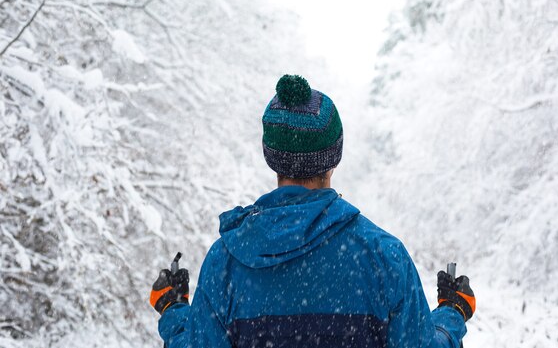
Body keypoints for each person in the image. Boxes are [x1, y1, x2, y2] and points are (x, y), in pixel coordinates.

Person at [150, 75, 476, 348]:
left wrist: (172, 310)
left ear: (270, 156)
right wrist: (452, 313)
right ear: (334, 157)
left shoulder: (226, 262)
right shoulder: (383, 256)